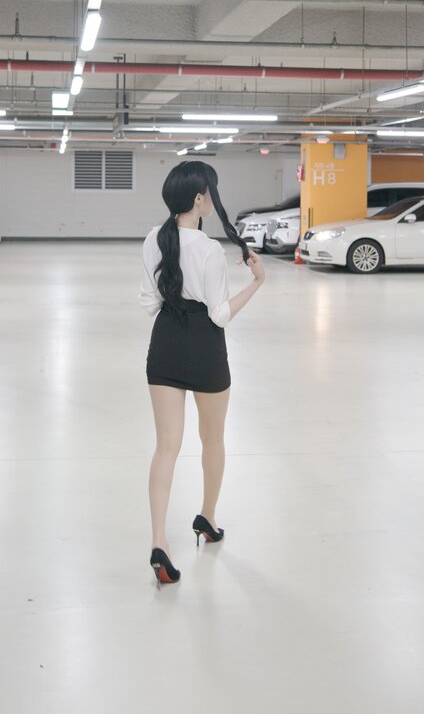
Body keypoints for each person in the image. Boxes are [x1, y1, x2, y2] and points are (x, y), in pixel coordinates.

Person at [138, 160, 266, 588]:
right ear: (198, 198)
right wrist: (257, 282)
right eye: (210, 191)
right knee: (212, 440)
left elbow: (148, 302)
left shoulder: (153, 239)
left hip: (165, 343)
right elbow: (220, 314)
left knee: (165, 448)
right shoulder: (209, 249)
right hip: (206, 347)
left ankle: (159, 541)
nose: (213, 198)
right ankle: (207, 518)